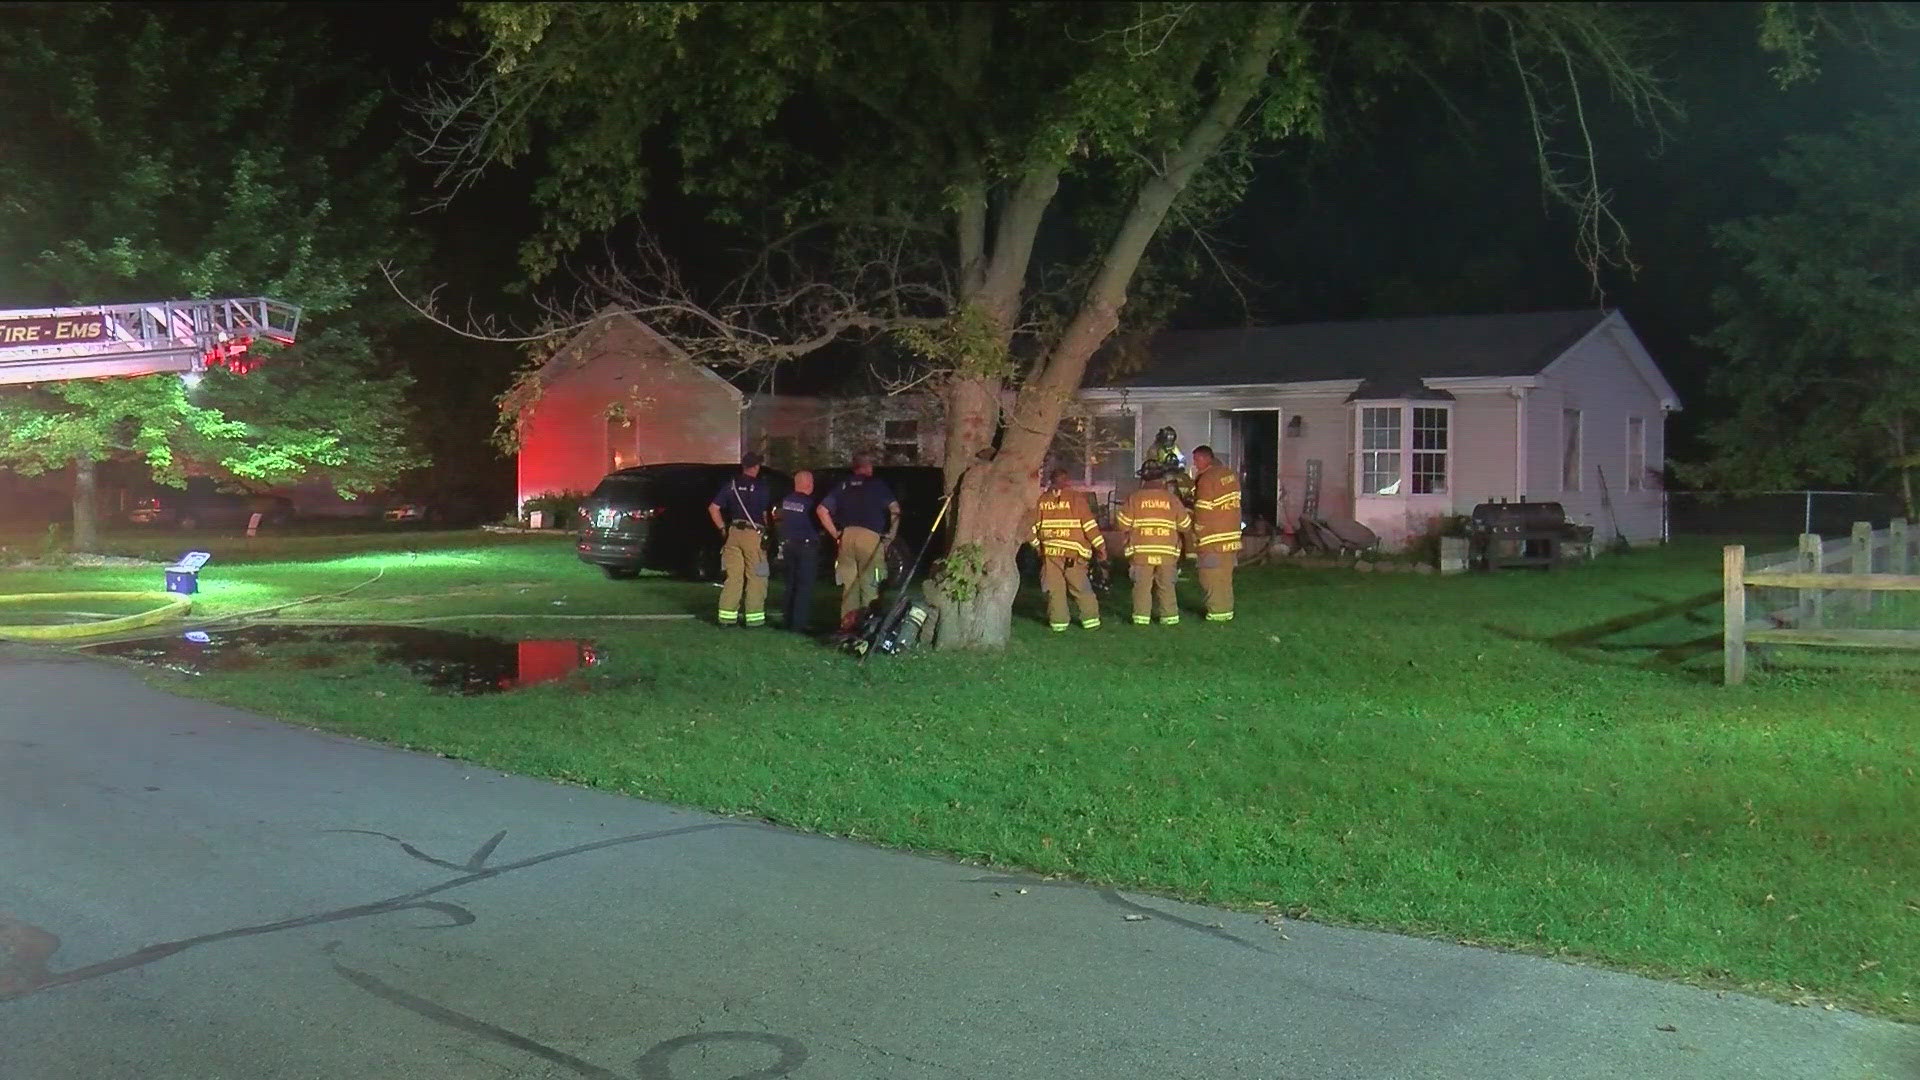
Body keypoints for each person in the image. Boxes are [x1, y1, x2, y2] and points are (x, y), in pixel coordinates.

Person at [816, 454, 901, 625]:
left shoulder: (844, 485)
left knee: (849, 587)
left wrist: (836, 534)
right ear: (868, 467)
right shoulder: (877, 485)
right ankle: (868, 626)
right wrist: (890, 535)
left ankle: (847, 626)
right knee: (870, 585)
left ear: (854, 468)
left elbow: (821, 510)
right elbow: (895, 509)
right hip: (870, 538)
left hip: (847, 537)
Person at [1030, 467, 1106, 631]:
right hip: (1074, 554)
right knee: (1080, 588)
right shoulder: (1076, 499)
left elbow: (1032, 529)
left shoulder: (1042, 500)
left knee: (1055, 590)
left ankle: (1059, 624)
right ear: (1066, 480)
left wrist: (1038, 548)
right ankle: (1091, 622)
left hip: (1050, 553)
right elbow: (1089, 526)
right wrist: (1100, 547)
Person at [1116, 465, 1189, 626]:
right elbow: (1185, 525)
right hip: (1167, 551)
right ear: (1162, 481)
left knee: (1141, 586)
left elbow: (1122, 524)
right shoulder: (1172, 499)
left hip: (1141, 551)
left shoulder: (1134, 498)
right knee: (1167, 586)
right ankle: (1169, 618)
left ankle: (1141, 619)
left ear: (1143, 480)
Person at [706, 452, 773, 627]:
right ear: (757, 467)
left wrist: (723, 529)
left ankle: (726, 618)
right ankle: (754, 619)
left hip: (733, 533)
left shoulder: (732, 485)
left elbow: (713, 508)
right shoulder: (762, 487)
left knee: (733, 577)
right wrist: (767, 533)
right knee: (758, 576)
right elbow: (764, 513)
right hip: (754, 535)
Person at [1187, 445, 1242, 622]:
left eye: (1196, 459)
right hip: (1231, 534)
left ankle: (1216, 613)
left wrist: (1197, 531)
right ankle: (1226, 610)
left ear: (1206, 458)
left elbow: (1203, 509)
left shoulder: (1207, 479)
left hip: (1213, 537)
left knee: (1209, 574)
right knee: (1225, 575)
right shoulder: (1229, 474)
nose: (1195, 464)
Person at [773, 469, 822, 634]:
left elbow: (777, 519)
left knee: (790, 584)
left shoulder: (786, 501)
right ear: (808, 484)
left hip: (788, 546)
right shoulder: (811, 503)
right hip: (806, 547)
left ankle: (787, 619)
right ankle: (799, 624)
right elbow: (819, 522)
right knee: (804, 586)